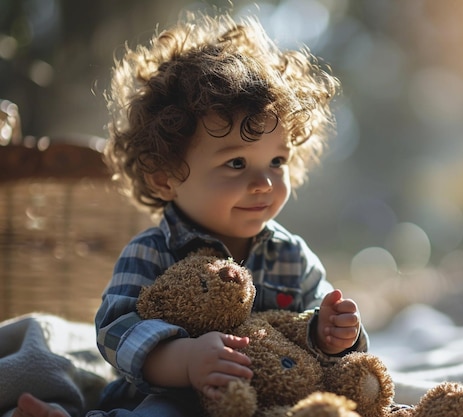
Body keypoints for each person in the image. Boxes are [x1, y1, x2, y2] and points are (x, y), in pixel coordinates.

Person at [13, 9, 367, 417]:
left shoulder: (293, 256)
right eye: (236, 163)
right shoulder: (151, 251)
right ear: (165, 177)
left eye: (277, 161)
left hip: (269, 397)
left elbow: (324, 329)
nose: (264, 183)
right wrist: (186, 360)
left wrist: (334, 332)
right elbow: (115, 331)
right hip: (174, 398)